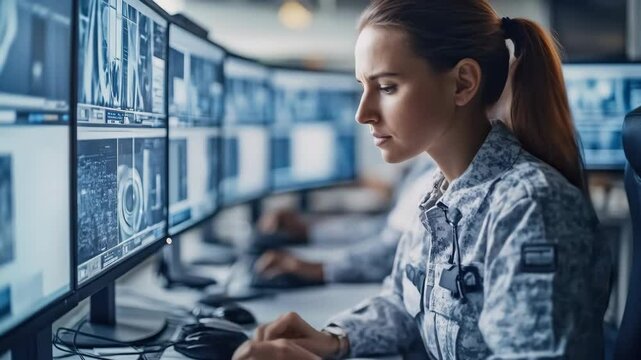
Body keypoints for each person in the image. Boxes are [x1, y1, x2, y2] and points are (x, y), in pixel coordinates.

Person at [233, 0, 612, 359]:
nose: (362, 113)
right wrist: (334, 339)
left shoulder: (531, 208)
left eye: (386, 88)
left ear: (463, 83)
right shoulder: (439, 194)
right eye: (363, 87)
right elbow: (406, 301)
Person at [255, 155, 436, 284]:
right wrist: (308, 231)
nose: (362, 116)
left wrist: (321, 269)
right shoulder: (427, 162)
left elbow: (395, 251)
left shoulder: (439, 174)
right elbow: (387, 229)